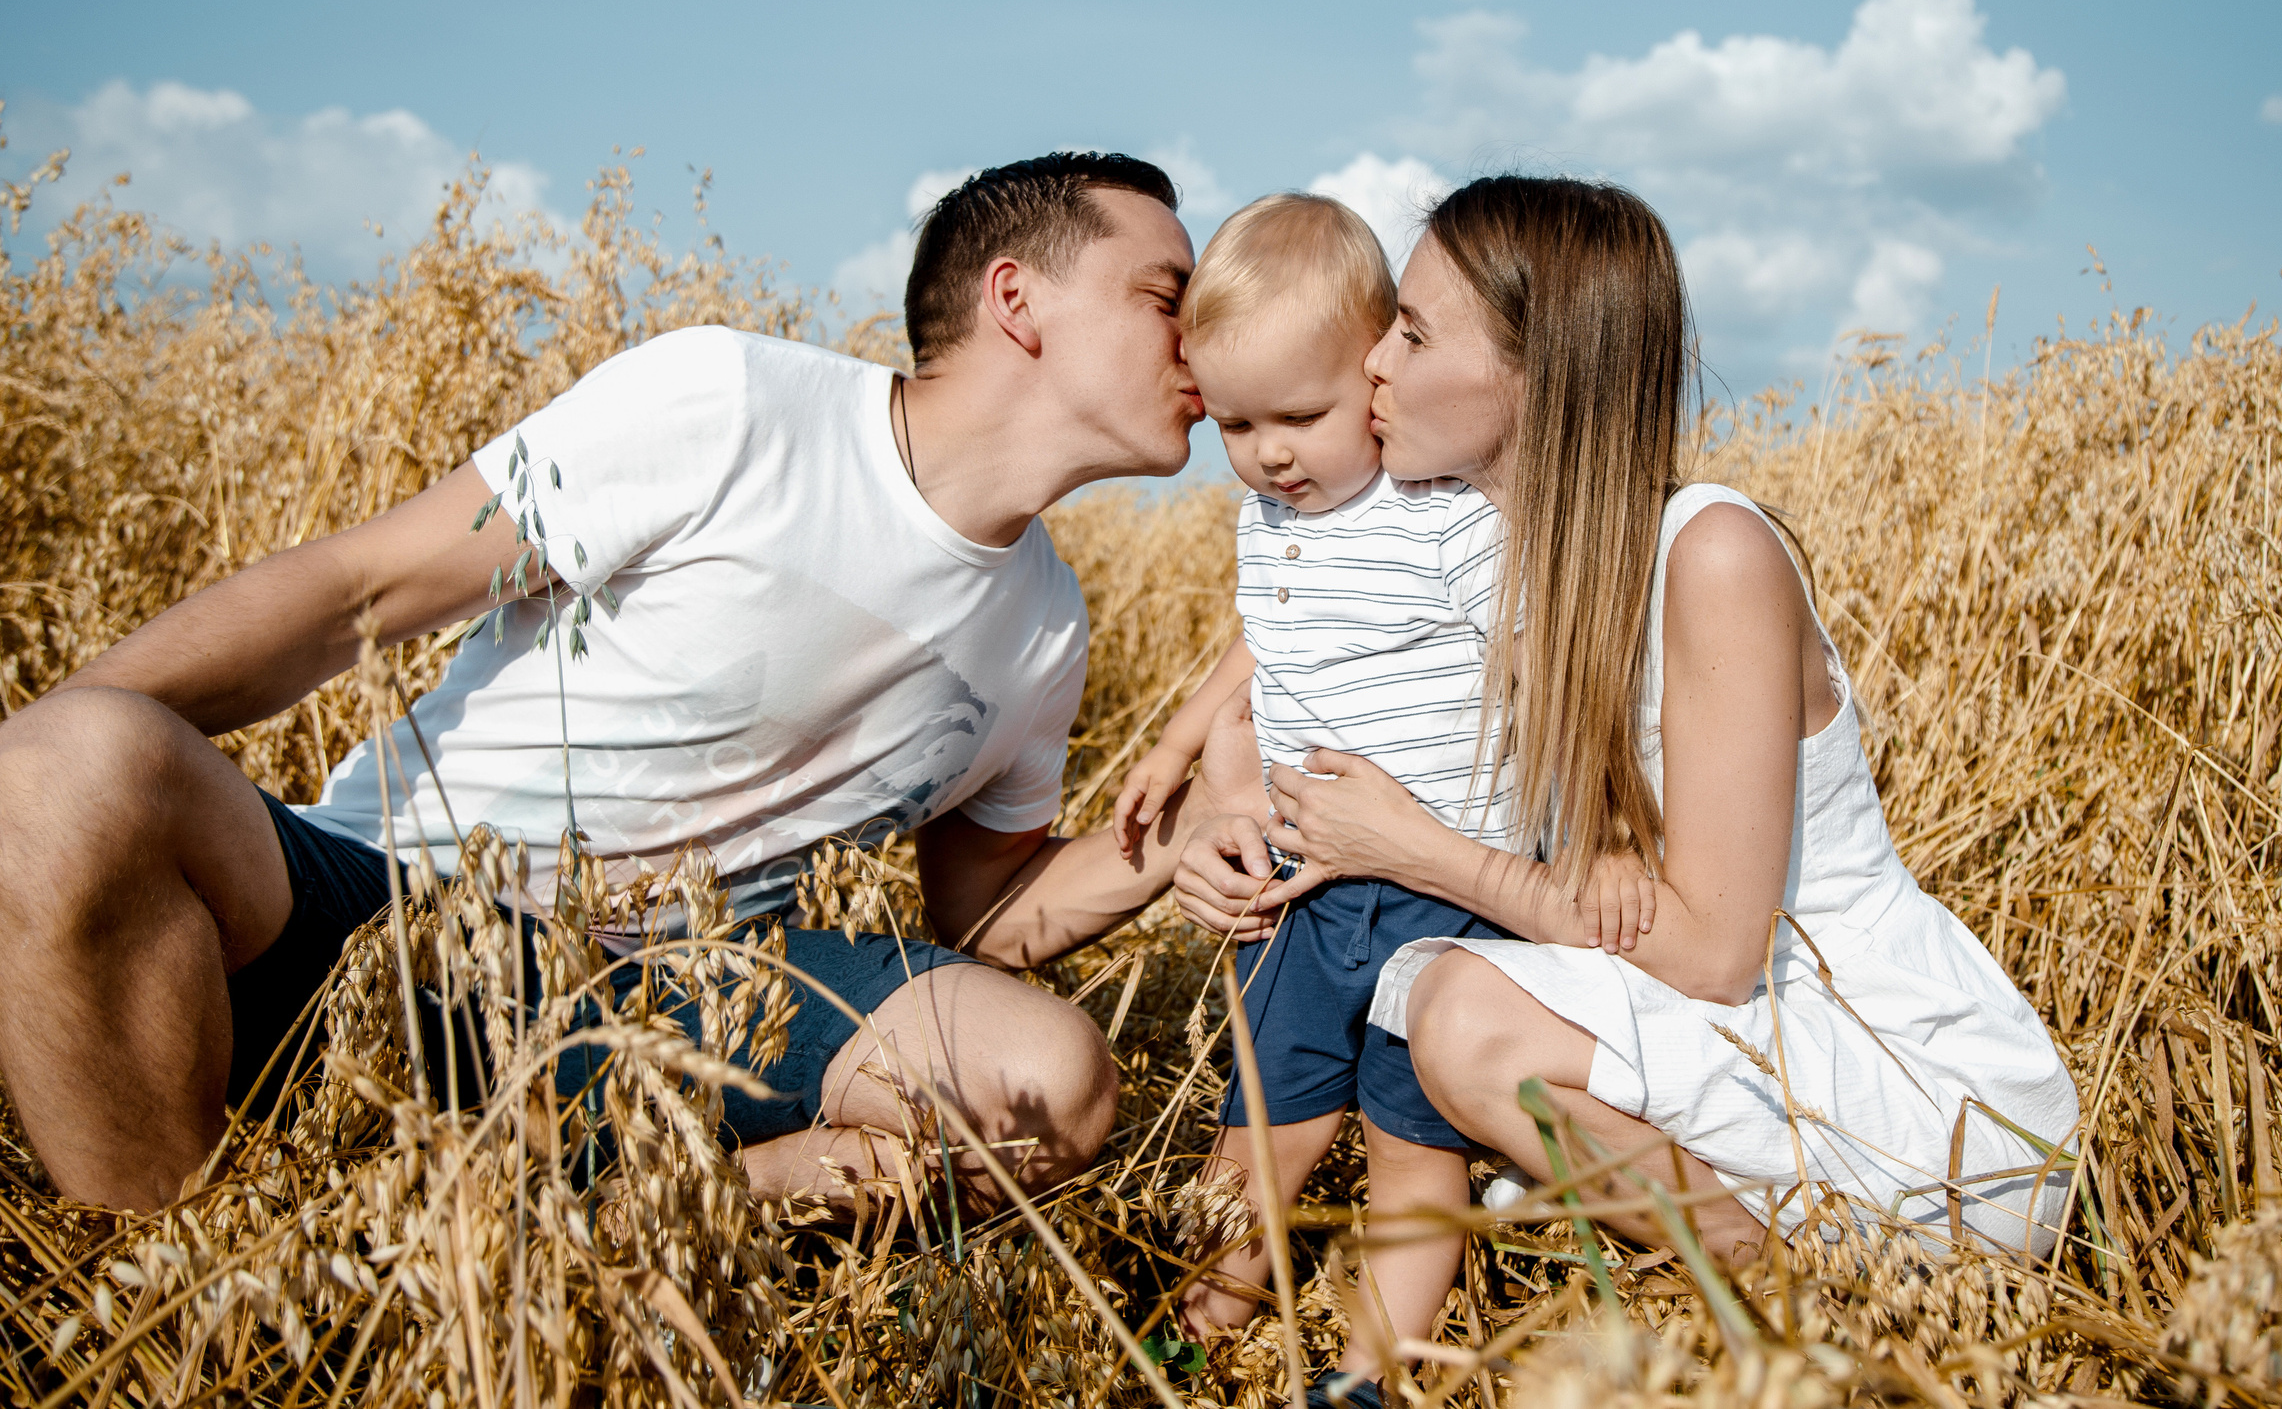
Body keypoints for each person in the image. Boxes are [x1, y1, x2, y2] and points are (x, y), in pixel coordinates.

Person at [0, 151, 1220, 1214]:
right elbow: (353, 595)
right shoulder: (735, 405)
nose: (1202, 335)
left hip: (684, 1014)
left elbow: (987, 917)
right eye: (1168, 295)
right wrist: (36, 764)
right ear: (1018, 300)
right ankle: (180, 1271)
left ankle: (607, 1215)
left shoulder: (1049, 623)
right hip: (384, 925)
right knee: (72, 764)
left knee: (1046, 1090)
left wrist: (1206, 824)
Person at [1173, 175, 2082, 1281]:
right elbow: (1298, 631)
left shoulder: (1709, 551)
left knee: (1453, 1013)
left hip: (1867, 1080)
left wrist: (1404, 847)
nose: (1372, 363)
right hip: (1673, 1019)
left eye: (1410, 334)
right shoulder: (1507, 565)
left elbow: (1710, 951)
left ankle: (1812, 1298)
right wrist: (1207, 778)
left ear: (1536, 368)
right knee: (1441, 1006)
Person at [1108, 193, 1656, 1398]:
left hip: (1437, 896)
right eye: (1237, 425)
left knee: (1417, 1153)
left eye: (1298, 416)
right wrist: (1179, 739)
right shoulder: (1272, 522)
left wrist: (1611, 824)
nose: (1270, 453)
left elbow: (1558, 672)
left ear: (1372, 370)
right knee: (1260, 1128)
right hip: (1309, 889)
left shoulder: (1446, 524)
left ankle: (1367, 1375)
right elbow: (1270, 642)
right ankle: (1195, 1323)